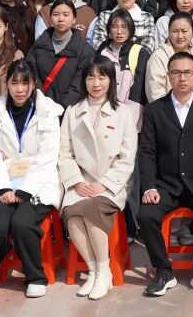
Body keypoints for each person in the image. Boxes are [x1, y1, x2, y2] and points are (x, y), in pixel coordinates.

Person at [0, 61, 64, 299]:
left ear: (33, 84)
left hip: (39, 185)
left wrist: (25, 191)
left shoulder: (48, 113)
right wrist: (2, 188)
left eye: (25, 83)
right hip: (4, 183)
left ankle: (35, 277)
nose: (20, 89)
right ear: (7, 84)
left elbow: (47, 158)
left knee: (22, 223)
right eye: (14, 83)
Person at [138, 52, 193, 298]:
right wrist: (149, 186)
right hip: (166, 185)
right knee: (146, 215)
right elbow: (146, 152)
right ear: (168, 76)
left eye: (187, 72)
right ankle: (164, 271)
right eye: (176, 72)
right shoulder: (155, 110)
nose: (182, 78)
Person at [58, 56, 139, 301]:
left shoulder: (123, 112)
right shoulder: (73, 111)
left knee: (92, 209)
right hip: (81, 181)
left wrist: (103, 184)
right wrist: (76, 182)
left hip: (111, 183)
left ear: (110, 80)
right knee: (71, 213)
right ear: (84, 81)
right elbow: (65, 153)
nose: (96, 83)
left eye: (102, 77)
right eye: (91, 77)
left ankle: (104, 271)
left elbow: (127, 157)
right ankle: (95, 271)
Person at [27, 0, 95, 108]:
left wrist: (61, 109)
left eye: (66, 15)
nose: (61, 19)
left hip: (71, 111)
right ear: (50, 18)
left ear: (74, 19)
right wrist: (43, 104)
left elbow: (78, 86)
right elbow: (31, 76)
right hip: (41, 109)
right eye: (56, 14)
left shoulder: (85, 51)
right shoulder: (38, 47)